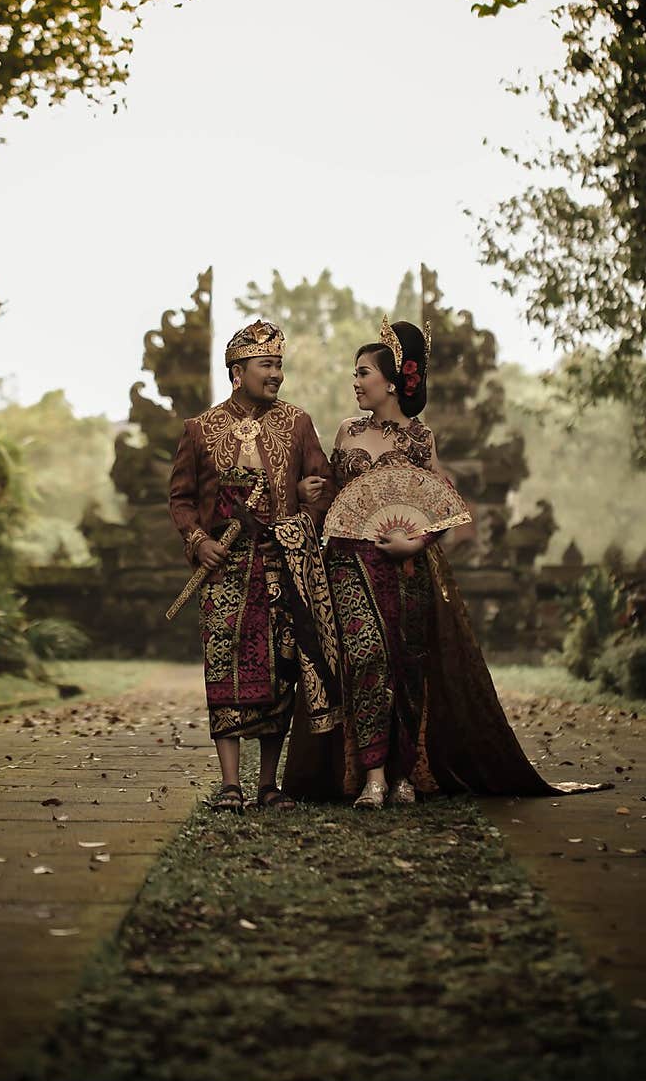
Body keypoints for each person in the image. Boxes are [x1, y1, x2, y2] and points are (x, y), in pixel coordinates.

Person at [284, 317, 603, 807]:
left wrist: (417, 543)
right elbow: (333, 503)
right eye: (355, 372)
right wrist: (312, 492)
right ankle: (370, 776)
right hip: (348, 560)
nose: (355, 381)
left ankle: (405, 771)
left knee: (407, 665)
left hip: (405, 567)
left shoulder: (420, 441)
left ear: (391, 380)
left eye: (363, 372)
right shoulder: (347, 432)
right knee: (366, 656)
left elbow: (445, 509)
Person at [169, 319, 340, 813]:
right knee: (223, 669)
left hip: (278, 566)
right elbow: (180, 499)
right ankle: (230, 785)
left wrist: (303, 518)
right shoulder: (199, 430)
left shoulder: (298, 423)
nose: (277, 375)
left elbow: (322, 483)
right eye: (268, 365)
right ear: (237, 371)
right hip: (223, 572)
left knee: (279, 673)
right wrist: (199, 540)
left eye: (280, 365)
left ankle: (268, 785)